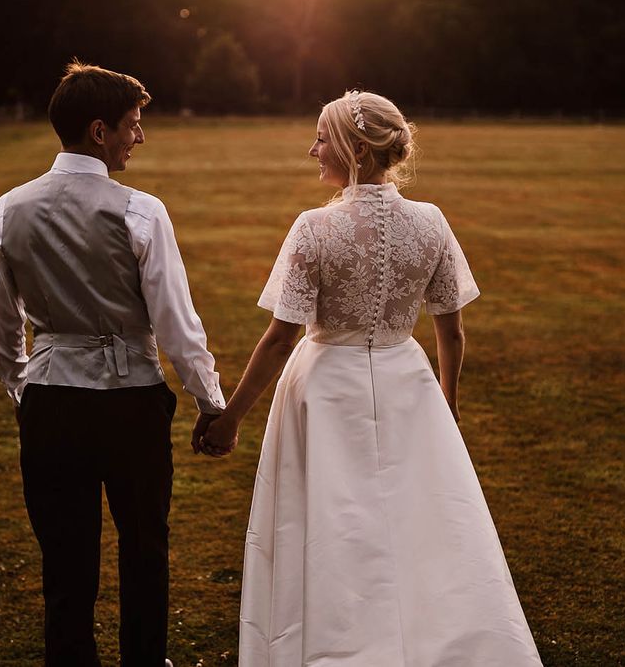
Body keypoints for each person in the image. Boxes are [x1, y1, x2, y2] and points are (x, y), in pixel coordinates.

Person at [195, 90, 543, 665]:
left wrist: (230, 416)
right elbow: (451, 331)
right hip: (409, 382)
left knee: (333, 521)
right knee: (419, 519)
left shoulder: (314, 228)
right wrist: (447, 405)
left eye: (321, 138)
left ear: (356, 149)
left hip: (327, 384)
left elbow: (282, 337)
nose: (312, 150)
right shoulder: (430, 221)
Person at [0, 61, 225, 667]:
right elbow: (176, 324)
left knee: (64, 556)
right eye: (132, 125)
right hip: (130, 405)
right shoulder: (140, 211)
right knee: (144, 545)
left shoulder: (9, 208)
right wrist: (210, 401)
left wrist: (26, 387)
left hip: (51, 403)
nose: (138, 137)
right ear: (99, 131)